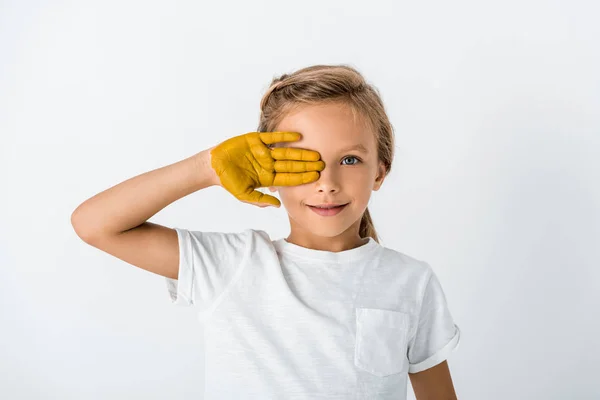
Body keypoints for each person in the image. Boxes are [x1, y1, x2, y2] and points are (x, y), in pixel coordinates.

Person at [71, 64, 461, 399]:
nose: (327, 182)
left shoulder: (411, 281)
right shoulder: (231, 266)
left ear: (380, 170)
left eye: (350, 159)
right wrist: (206, 168)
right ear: (266, 172)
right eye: (303, 161)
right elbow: (95, 225)